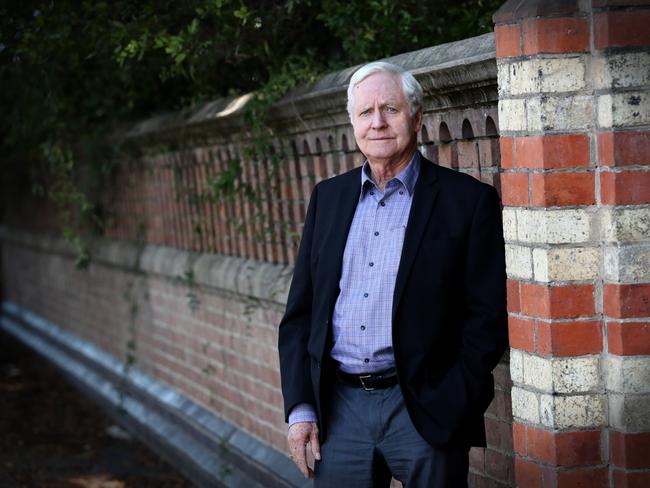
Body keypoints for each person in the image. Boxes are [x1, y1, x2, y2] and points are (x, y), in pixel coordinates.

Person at [278, 61, 508, 487]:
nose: (378, 123)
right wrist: (302, 410)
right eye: (365, 113)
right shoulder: (328, 199)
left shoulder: (467, 202)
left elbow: (488, 315)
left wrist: (458, 395)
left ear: (417, 116)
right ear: (353, 124)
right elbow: (301, 314)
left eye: (391, 109)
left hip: (425, 407)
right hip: (340, 409)